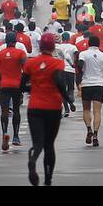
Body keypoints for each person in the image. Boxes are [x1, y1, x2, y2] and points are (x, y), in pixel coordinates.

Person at [23, 33, 72, 186]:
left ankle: (33, 159)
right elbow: (58, 81)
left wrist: (33, 89)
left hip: (35, 107)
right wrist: (68, 99)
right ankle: (48, 179)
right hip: (52, 107)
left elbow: (22, 85)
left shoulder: (31, 64)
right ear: (53, 47)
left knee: (38, 143)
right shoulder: (57, 63)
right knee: (49, 145)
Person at [75, 35, 103, 147]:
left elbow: (79, 66)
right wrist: (102, 75)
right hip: (99, 84)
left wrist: (80, 80)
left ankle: (89, 129)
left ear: (89, 44)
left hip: (86, 84)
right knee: (97, 111)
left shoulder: (83, 54)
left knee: (86, 109)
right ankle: (95, 134)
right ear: (98, 44)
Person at [0, 31, 28, 150]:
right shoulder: (21, 53)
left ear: (6, 41)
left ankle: (4, 133)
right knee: (16, 110)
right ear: (15, 42)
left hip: (3, 86)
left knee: (4, 111)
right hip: (16, 85)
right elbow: (26, 70)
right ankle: (15, 136)